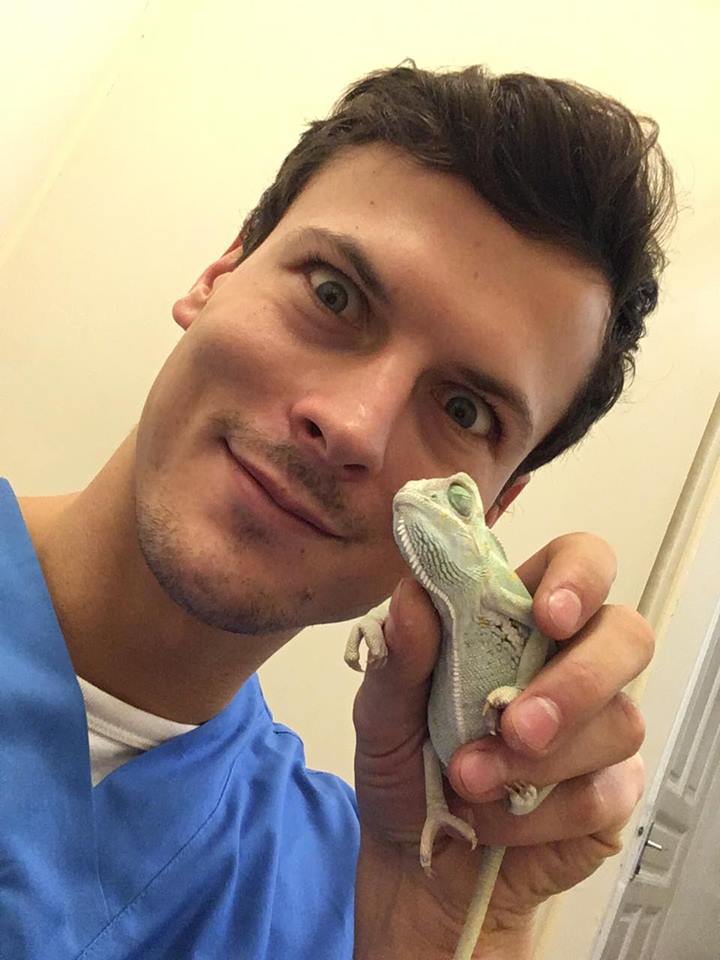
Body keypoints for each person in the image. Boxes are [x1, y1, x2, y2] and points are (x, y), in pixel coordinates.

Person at [1, 61, 675, 959]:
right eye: (333, 294)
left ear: (494, 506)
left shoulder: (360, 896)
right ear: (219, 273)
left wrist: (454, 933)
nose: (353, 425)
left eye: (463, 409)